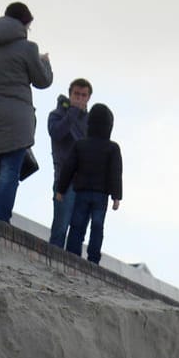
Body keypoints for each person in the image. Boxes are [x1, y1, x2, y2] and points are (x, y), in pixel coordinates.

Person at [0, 2, 53, 222]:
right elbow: (42, 81)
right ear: (24, 23)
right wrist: (45, 63)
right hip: (14, 122)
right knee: (8, 173)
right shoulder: (28, 48)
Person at [54, 102, 122, 264]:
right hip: (101, 194)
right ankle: (93, 258)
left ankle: (72, 254)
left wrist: (61, 190)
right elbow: (115, 173)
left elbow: (68, 168)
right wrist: (116, 197)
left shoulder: (80, 144)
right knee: (97, 227)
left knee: (77, 224)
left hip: (82, 191)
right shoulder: (112, 148)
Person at [47, 78, 93, 247]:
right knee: (60, 227)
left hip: (85, 182)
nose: (80, 98)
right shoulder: (57, 115)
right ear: (70, 94)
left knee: (78, 231)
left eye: (83, 95)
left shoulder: (91, 121)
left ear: (88, 97)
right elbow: (57, 133)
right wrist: (72, 112)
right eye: (76, 94)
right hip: (64, 180)